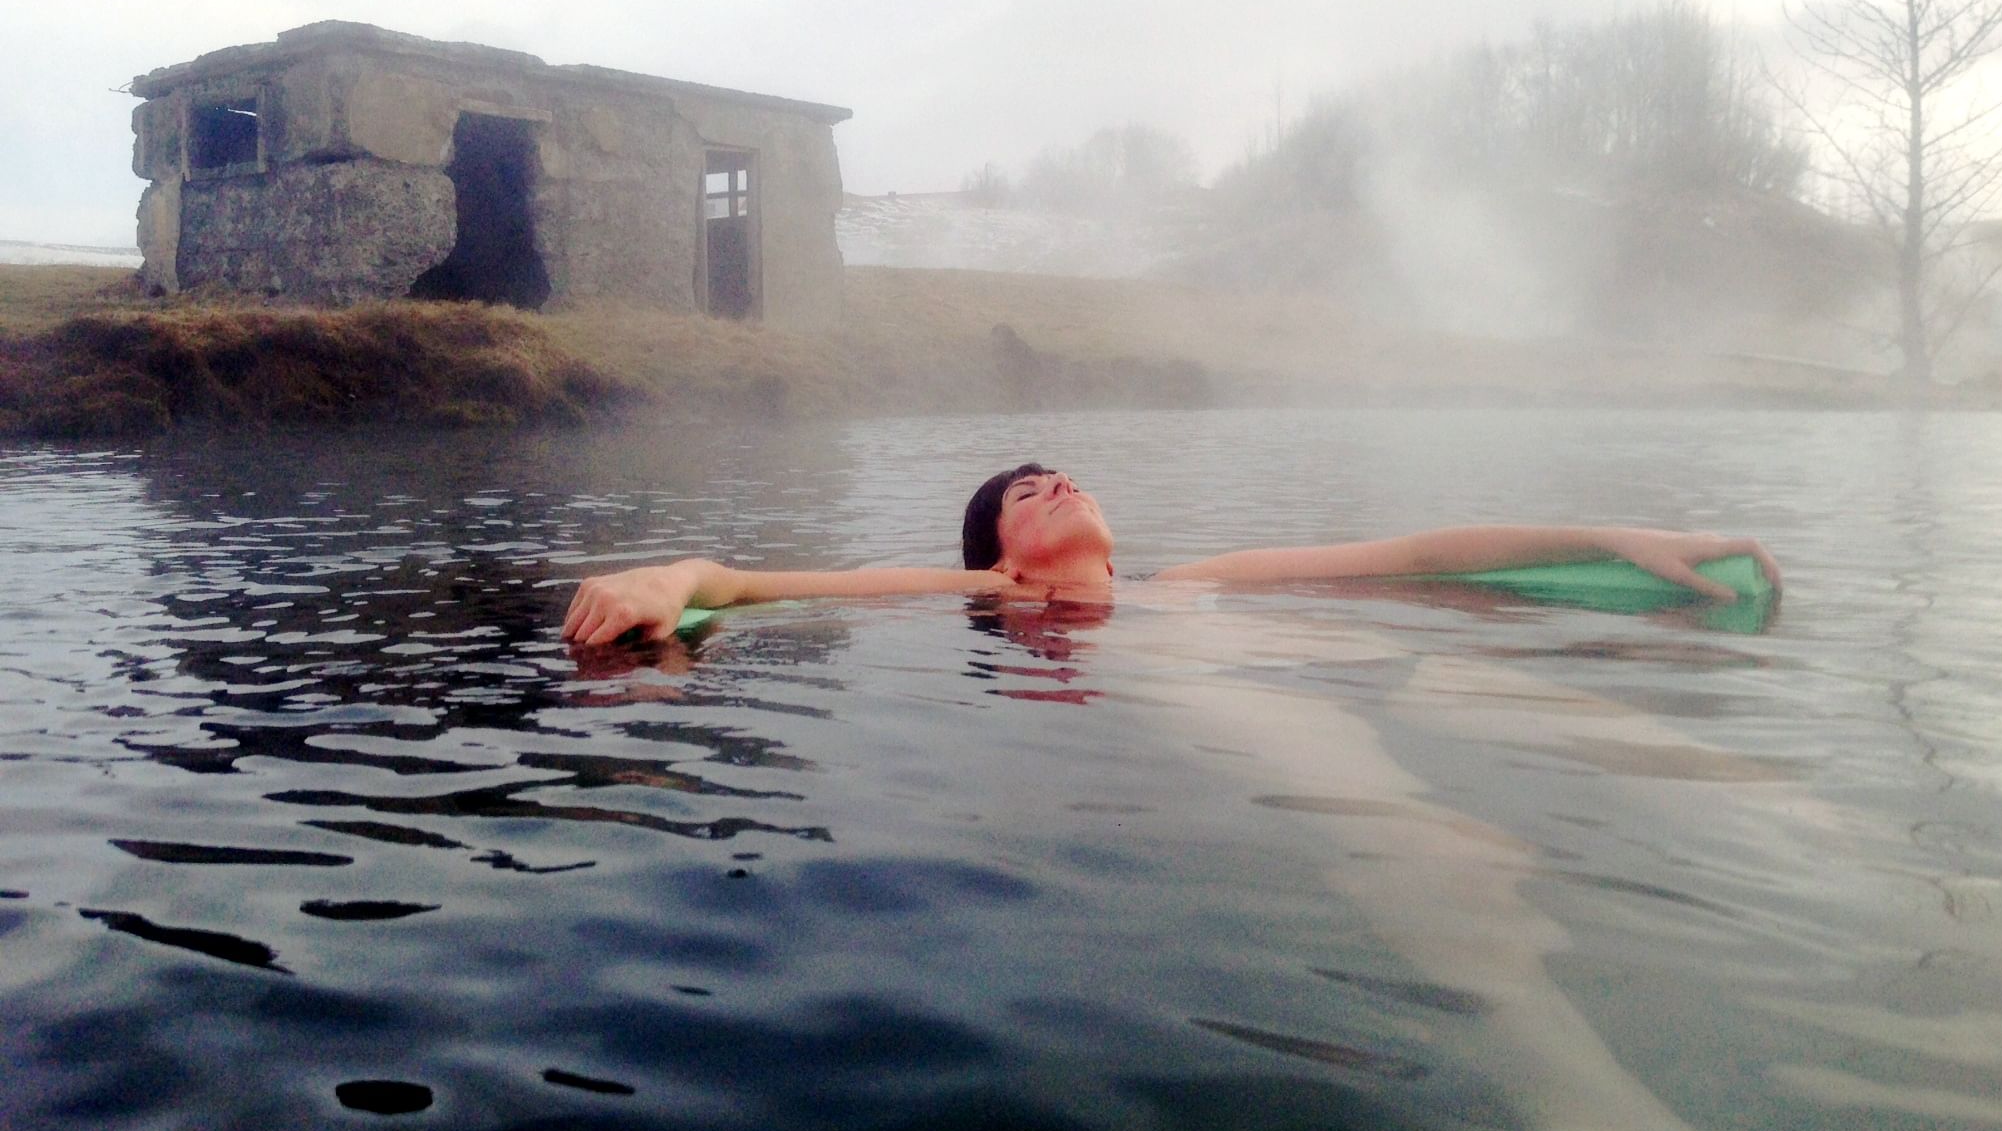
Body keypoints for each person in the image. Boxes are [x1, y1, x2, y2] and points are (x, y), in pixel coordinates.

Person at [561, 462, 1780, 646]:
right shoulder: (989, 593)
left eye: (1063, 473)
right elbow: (746, 583)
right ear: (1003, 554)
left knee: (1476, 669)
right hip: (1183, 703)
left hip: (1268, 658)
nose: (1057, 484)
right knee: (1455, 856)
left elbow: (1402, 551)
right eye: (1026, 492)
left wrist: (1615, 534)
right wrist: (663, 584)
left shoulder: (1183, 585)